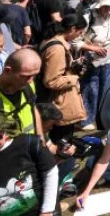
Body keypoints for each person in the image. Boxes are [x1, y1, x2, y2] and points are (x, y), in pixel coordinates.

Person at [38, 14, 87, 142]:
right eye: (80, 32)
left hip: (58, 100)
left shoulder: (51, 40)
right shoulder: (57, 48)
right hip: (59, 103)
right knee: (62, 140)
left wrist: (73, 65)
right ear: (73, 28)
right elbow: (51, 81)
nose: (80, 36)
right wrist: (75, 78)